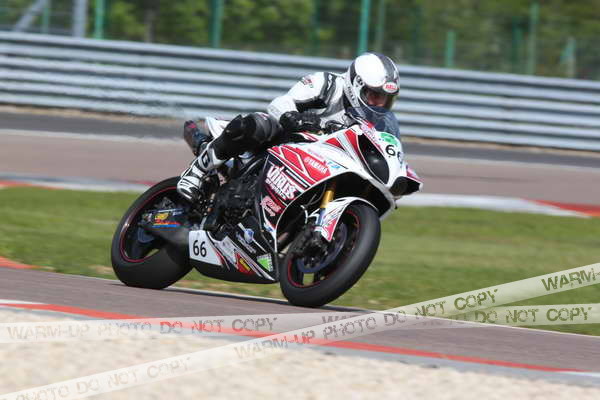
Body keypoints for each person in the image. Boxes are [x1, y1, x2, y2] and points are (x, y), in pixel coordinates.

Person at [177, 52, 401, 203]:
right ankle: (196, 172)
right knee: (261, 123)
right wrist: (294, 117)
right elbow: (279, 103)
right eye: (374, 95)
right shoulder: (327, 85)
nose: (379, 104)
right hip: (285, 144)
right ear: (356, 84)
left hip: (322, 166)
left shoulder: (376, 122)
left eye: (385, 99)